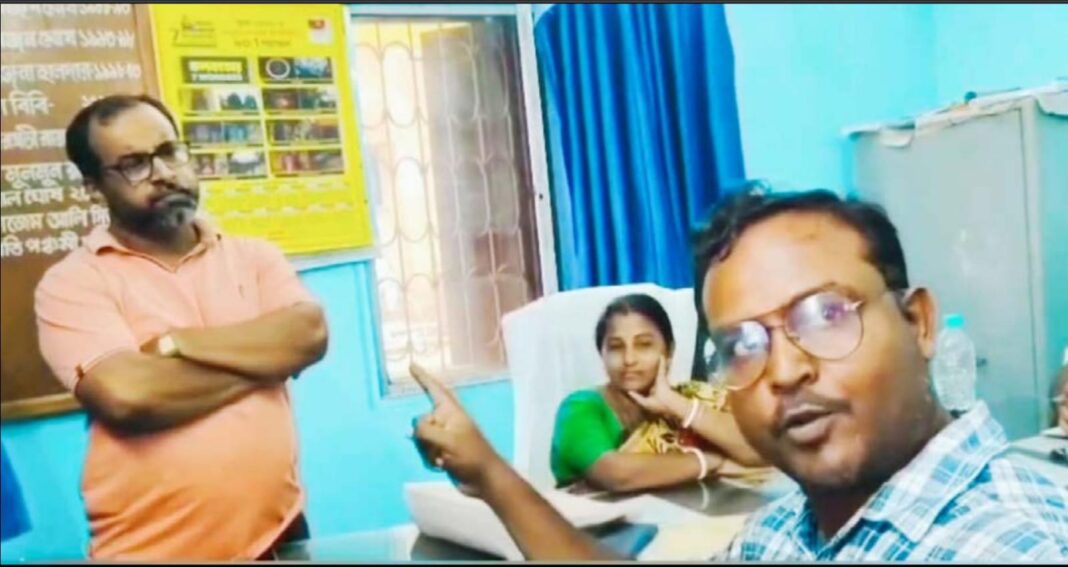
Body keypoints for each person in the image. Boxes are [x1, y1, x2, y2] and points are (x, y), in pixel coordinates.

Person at [410, 189, 1068, 560]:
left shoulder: (1009, 545)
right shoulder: (791, 532)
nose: (784, 368)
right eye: (743, 343)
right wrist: (489, 474)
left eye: (826, 314)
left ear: (919, 322)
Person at [34, 94, 328, 560]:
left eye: (170, 151)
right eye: (134, 164)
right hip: (153, 552)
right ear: (93, 187)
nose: (164, 173)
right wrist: (265, 363)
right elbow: (130, 397)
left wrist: (176, 343)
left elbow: (308, 335)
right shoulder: (73, 283)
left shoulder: (253, 257)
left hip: (279, 536)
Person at [551, 293, 766, 493]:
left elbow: (758, 451)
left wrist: (676, 404)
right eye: (616, 347)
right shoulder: (580, 408)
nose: (629, 359)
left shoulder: (687, 397)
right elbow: (615, 474)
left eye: (644, 345)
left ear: (669, 351)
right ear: (602, 354)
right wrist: (710, 462)